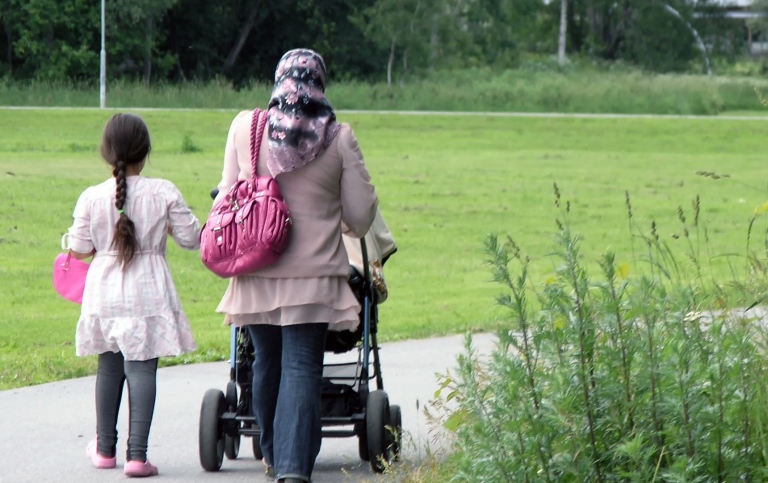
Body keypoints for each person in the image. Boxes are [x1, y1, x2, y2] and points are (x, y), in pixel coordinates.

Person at [215, 49, 378, 483]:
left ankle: (271, 453)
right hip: (314, 275)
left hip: (255, 266)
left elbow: (226, 195)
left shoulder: (245, 127)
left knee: (265, 360)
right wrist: (332, 214)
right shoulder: (338, 137)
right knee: (302, 365)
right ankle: (292, 469)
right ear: (320, 84)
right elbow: (361, 218)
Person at [66, 113, 201, 478]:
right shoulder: (164, 192)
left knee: (109, 366)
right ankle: (137, 456)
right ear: (145, 151)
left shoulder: (92, 197)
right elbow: (193, 239)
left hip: (104, 294)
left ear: (106, 153)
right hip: (148, 291)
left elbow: (78, 248)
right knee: (142, 368)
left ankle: (105, 449)